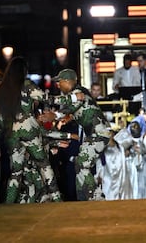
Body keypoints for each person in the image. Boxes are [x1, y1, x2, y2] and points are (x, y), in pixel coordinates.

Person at [0, 56, 61, 203]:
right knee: (44, 165)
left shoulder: (2, 88)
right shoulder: (27, 84)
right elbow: (45, 98)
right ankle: (56, 198)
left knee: (15, 173)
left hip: (11, 134)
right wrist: (71, 99)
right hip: (29, 131)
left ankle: (8, 204)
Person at [52, 68, 111, 201]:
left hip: (99, 134)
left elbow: (71, 105)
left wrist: (55, 114)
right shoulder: (80, 91)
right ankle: (84, 198)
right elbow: (80, 110)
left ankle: (96, 197)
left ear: (67, 82)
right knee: (79, 164)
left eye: (59, 81)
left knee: (82, 163)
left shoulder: (78, 93)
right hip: (96, 134)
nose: (58, 85)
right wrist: (70, 117)